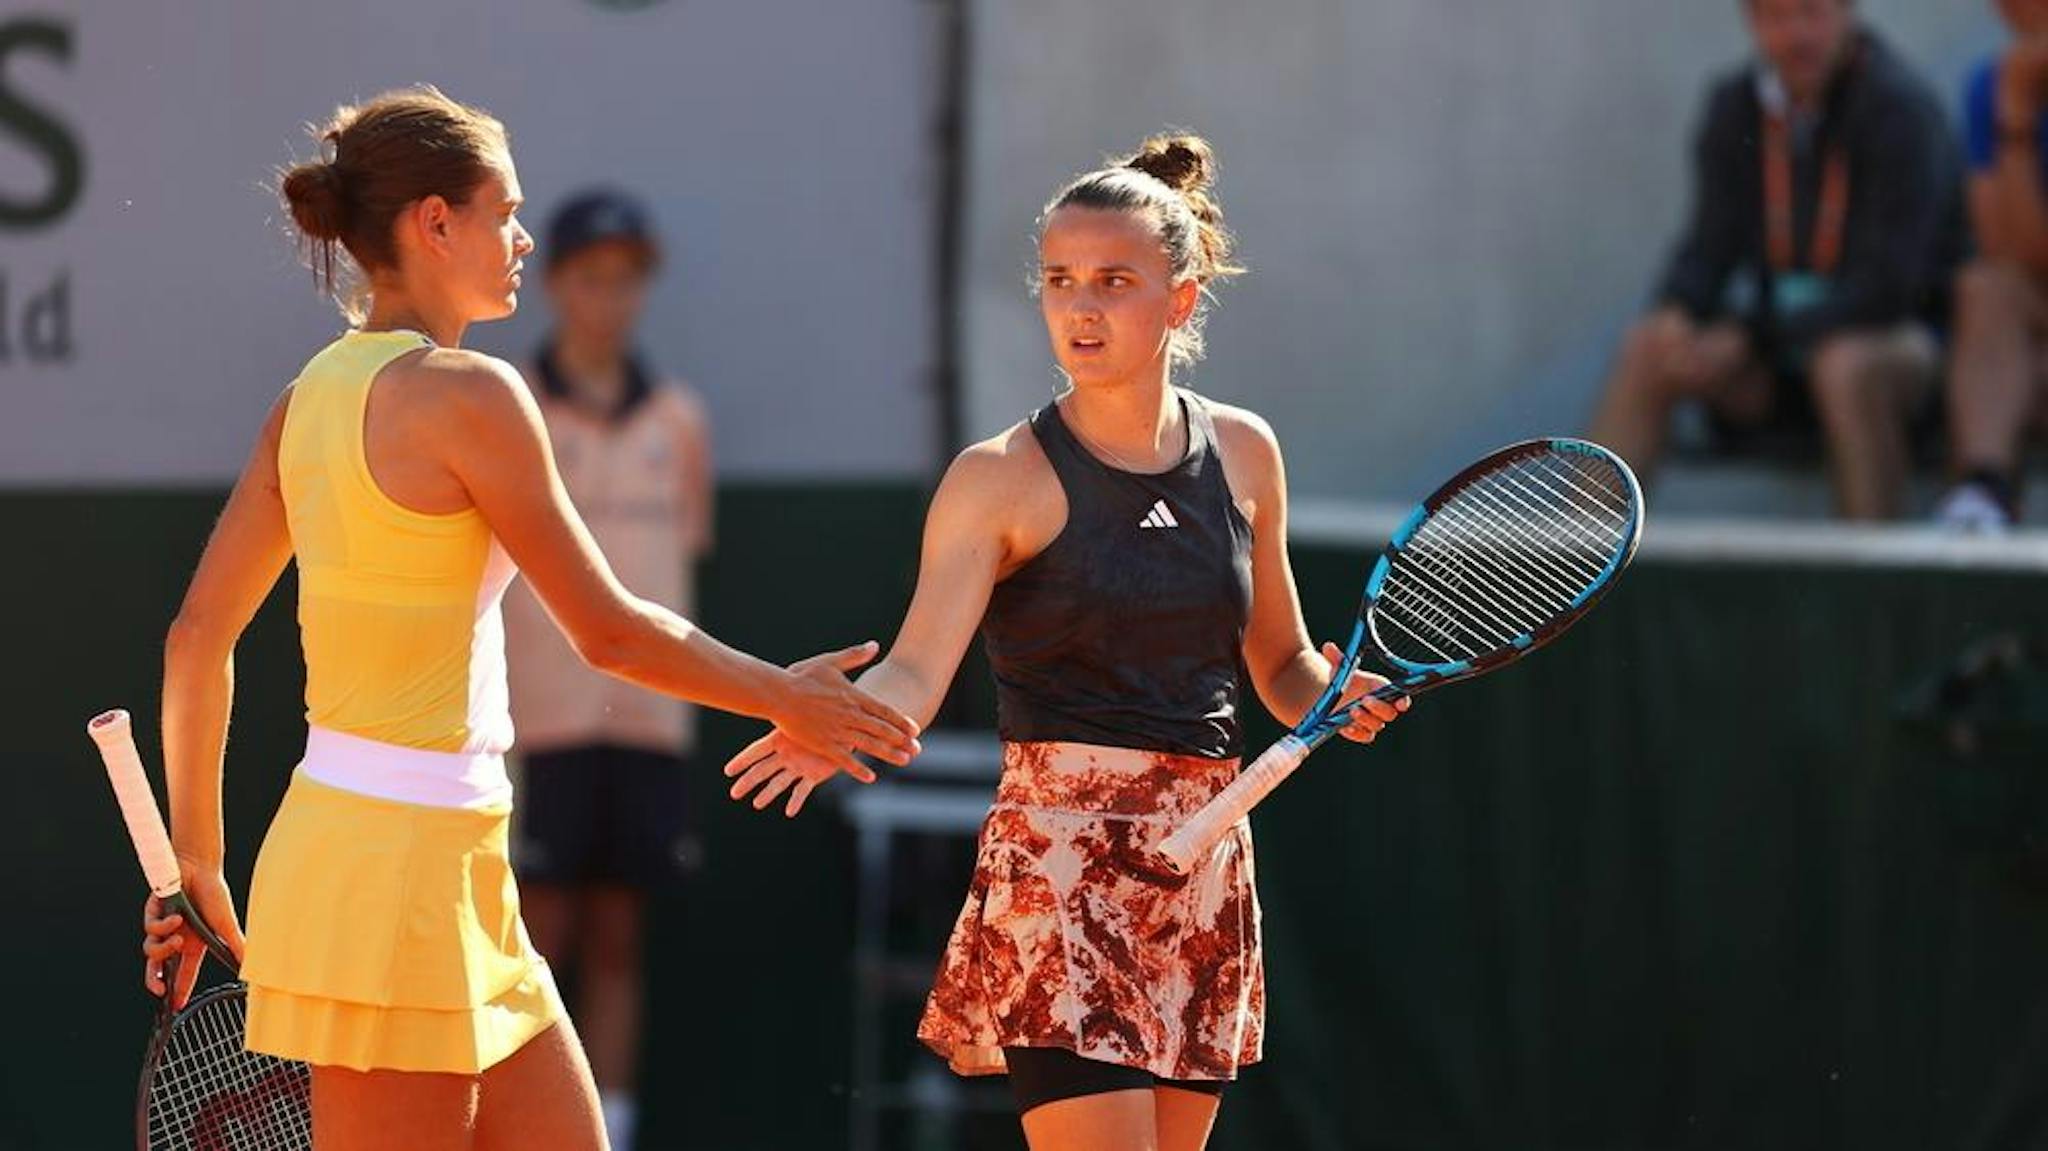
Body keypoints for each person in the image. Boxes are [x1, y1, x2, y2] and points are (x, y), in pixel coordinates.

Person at [135, 86, 917, 1151]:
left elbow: (196, 638)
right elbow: (609, 630)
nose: (522, 238)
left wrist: (199, 862)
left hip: (437, 865)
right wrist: (783, 695)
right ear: (433, 222)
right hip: (391, 883)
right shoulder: (473, 394)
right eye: (503, 211)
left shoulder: (306, 398)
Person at [724, 133, 1409, 1151]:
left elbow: (1279, 661)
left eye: (1113, 281)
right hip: (1059, 867)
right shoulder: (994, 475)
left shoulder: (1248, 452)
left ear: (1179, 300)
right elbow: (916, 665)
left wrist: (1336, 691)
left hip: (1205, 855)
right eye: (1058, 280)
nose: (1079, 307)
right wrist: (837, 717)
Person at [501, 188, 710, 1151]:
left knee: (622, 935)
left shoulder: (679, 421)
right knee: (536, 938)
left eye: (628, 280)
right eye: (591, 278)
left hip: (649, 723)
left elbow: (687, 555)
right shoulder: (512, 411)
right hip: (535, 722)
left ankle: (609, 1132)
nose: (610, 299)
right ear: (554, 284)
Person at [1589, 0, 1960, 520]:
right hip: (1777, 353)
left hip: (1896, 354)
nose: (1795, 34)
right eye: (1775, 16)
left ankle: (1874, 585)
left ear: (1848, 12)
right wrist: (1678, 309)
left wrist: (1750, 335)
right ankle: (1574, 578)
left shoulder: (1899, 109)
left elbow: (1888, 289)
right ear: (1751, 21)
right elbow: (1707, 247)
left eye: (1811, 12)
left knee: (1845, 365)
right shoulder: (1737, 104)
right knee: (1649, 347)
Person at [1934, 0, 2048, 531]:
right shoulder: (1995, 86)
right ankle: (1984, 492)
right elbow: (2008, 250)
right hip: (2034, 323)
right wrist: (2017, 111)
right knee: (1984, 288)